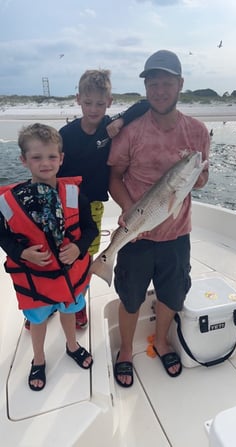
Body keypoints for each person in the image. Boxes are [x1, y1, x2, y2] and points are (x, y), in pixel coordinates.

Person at [108, 50, 210, 387]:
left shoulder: (197, 131)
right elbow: (115, 177)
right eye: (153, 84)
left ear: (180, 84)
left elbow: (202, 176)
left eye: (167, 83)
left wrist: (198, 179)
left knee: (172, 295)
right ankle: (125, 351)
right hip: (138, 231)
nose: (160, 90)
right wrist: (127, 211)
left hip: (178, 234)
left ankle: (162, 340)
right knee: (131, 296)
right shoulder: (132, 132)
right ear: (146, 88)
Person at [0, 123, 98, 391]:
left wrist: (78, 247)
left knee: (69, 310)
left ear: (61, 159)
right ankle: (39, 359)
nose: (45, 163)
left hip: (68, 277)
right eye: (37, 157)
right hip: (36, 280)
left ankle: (72, 345)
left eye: (52, 156)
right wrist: (22, 253)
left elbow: (90, 229)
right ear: (23, 160)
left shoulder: (77, 196)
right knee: (38, 320)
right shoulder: (10, 202)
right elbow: (3, 235)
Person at [57, 69, 149, 329]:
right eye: (88, 103)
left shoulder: (111, 125)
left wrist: (121, 121)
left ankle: (78, 303)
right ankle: (53, 298)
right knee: (61, 252)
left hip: (94, 205)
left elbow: (143, 105)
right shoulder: (66, 134)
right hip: (65, 204)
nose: (94, 109)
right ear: (78, 100)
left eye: (100, 103)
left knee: (86, 255)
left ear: (109, 102)